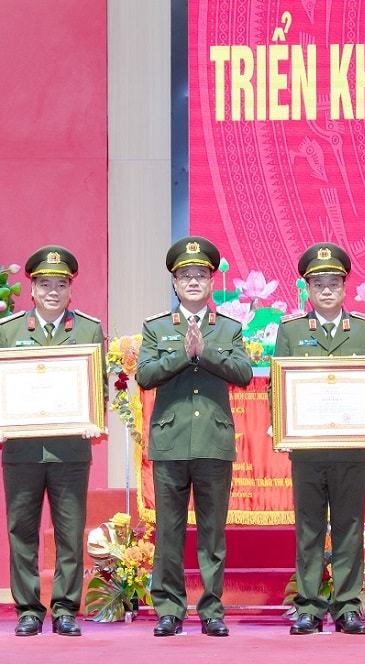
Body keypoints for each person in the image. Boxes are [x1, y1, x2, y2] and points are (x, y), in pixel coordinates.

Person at [0, 246, 105, 637]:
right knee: (22, 531)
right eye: (45, 285)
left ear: (70, 290)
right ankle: (28, 610)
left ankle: (66, 608)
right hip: (22, 450)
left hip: (70, 449)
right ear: (32, 289)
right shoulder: (10, 330)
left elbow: (99, 386)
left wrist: (94, 418)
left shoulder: (88, 330)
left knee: (70, 534)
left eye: (61, 285)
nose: (53, 292)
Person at [135, 236, 253, 637]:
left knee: (212, 534)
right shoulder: (156, 328)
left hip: (213, 443)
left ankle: (212, 610)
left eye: (200, 275)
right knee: (168, 533)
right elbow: (145, 375)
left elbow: (244, 374)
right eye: (185, 275)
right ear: (174, 282)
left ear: (212, 281)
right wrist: (183, 354)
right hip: (170, 442)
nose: (192, 281)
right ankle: (169, 610)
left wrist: (207, 352)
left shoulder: (228, 328)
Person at [272, 243, 365, 635]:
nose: (326, 290)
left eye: (333, 283)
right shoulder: (291, 330)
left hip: (352, 449)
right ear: (307, 288)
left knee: (349, 527)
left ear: (344, 287)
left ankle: (347, 606)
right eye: (318, 283)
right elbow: (277, 386)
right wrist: (280, 424)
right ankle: (308, 607)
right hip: (307, 448)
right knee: (309, 528)